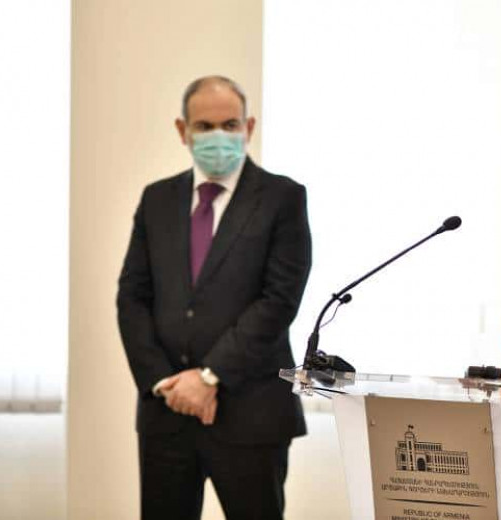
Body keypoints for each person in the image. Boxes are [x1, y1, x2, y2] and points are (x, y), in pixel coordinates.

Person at [117, 75, 311, 520]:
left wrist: (208, 377)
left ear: (249, 127)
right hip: (167, 413)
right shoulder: (156, 199)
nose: (218, 136)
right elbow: (132, 297)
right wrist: (164, 383)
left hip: (251, 414)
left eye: (230, 124)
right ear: (182, 130)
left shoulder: (282, 198)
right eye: (204, 126)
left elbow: (278, 301)